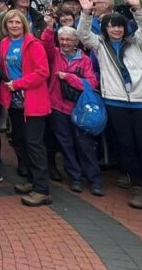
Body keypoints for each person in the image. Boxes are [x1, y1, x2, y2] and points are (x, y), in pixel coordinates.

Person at [77, 0, 142, 213]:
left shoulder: (138, 43)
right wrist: (86, 14)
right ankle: (135, 186)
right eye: (111, 26)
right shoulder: (100, 45)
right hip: (116, 101)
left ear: (125, 28)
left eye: (119, 25)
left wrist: (137, 8)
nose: (115, 29)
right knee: (126, 145)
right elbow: (83, 35)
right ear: (105, 28)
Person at [41, 18, 102, 195]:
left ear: (76, 42)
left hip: (80, 109)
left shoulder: (84, 60)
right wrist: (49, 28)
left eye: (69, 40)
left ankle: (94, 179)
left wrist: (68, 77)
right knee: (65, 143)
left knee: (85, 144)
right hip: (58, 107)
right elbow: (45, 45)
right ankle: (75, 177)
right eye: (62, 40)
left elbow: (91, 83)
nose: (65, 43)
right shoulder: (55, 55)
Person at [0, 10, 53, 207]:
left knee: (34, 144)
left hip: (33, 103)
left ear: (24, 25)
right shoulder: (4, 43)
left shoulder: (33, 44)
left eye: (17, 22)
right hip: (15, 103)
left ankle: (42, 189)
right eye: (10, 22)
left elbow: (42, 72)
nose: (14, 25)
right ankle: (31, 180)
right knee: (21, 142)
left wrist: (19, 83)